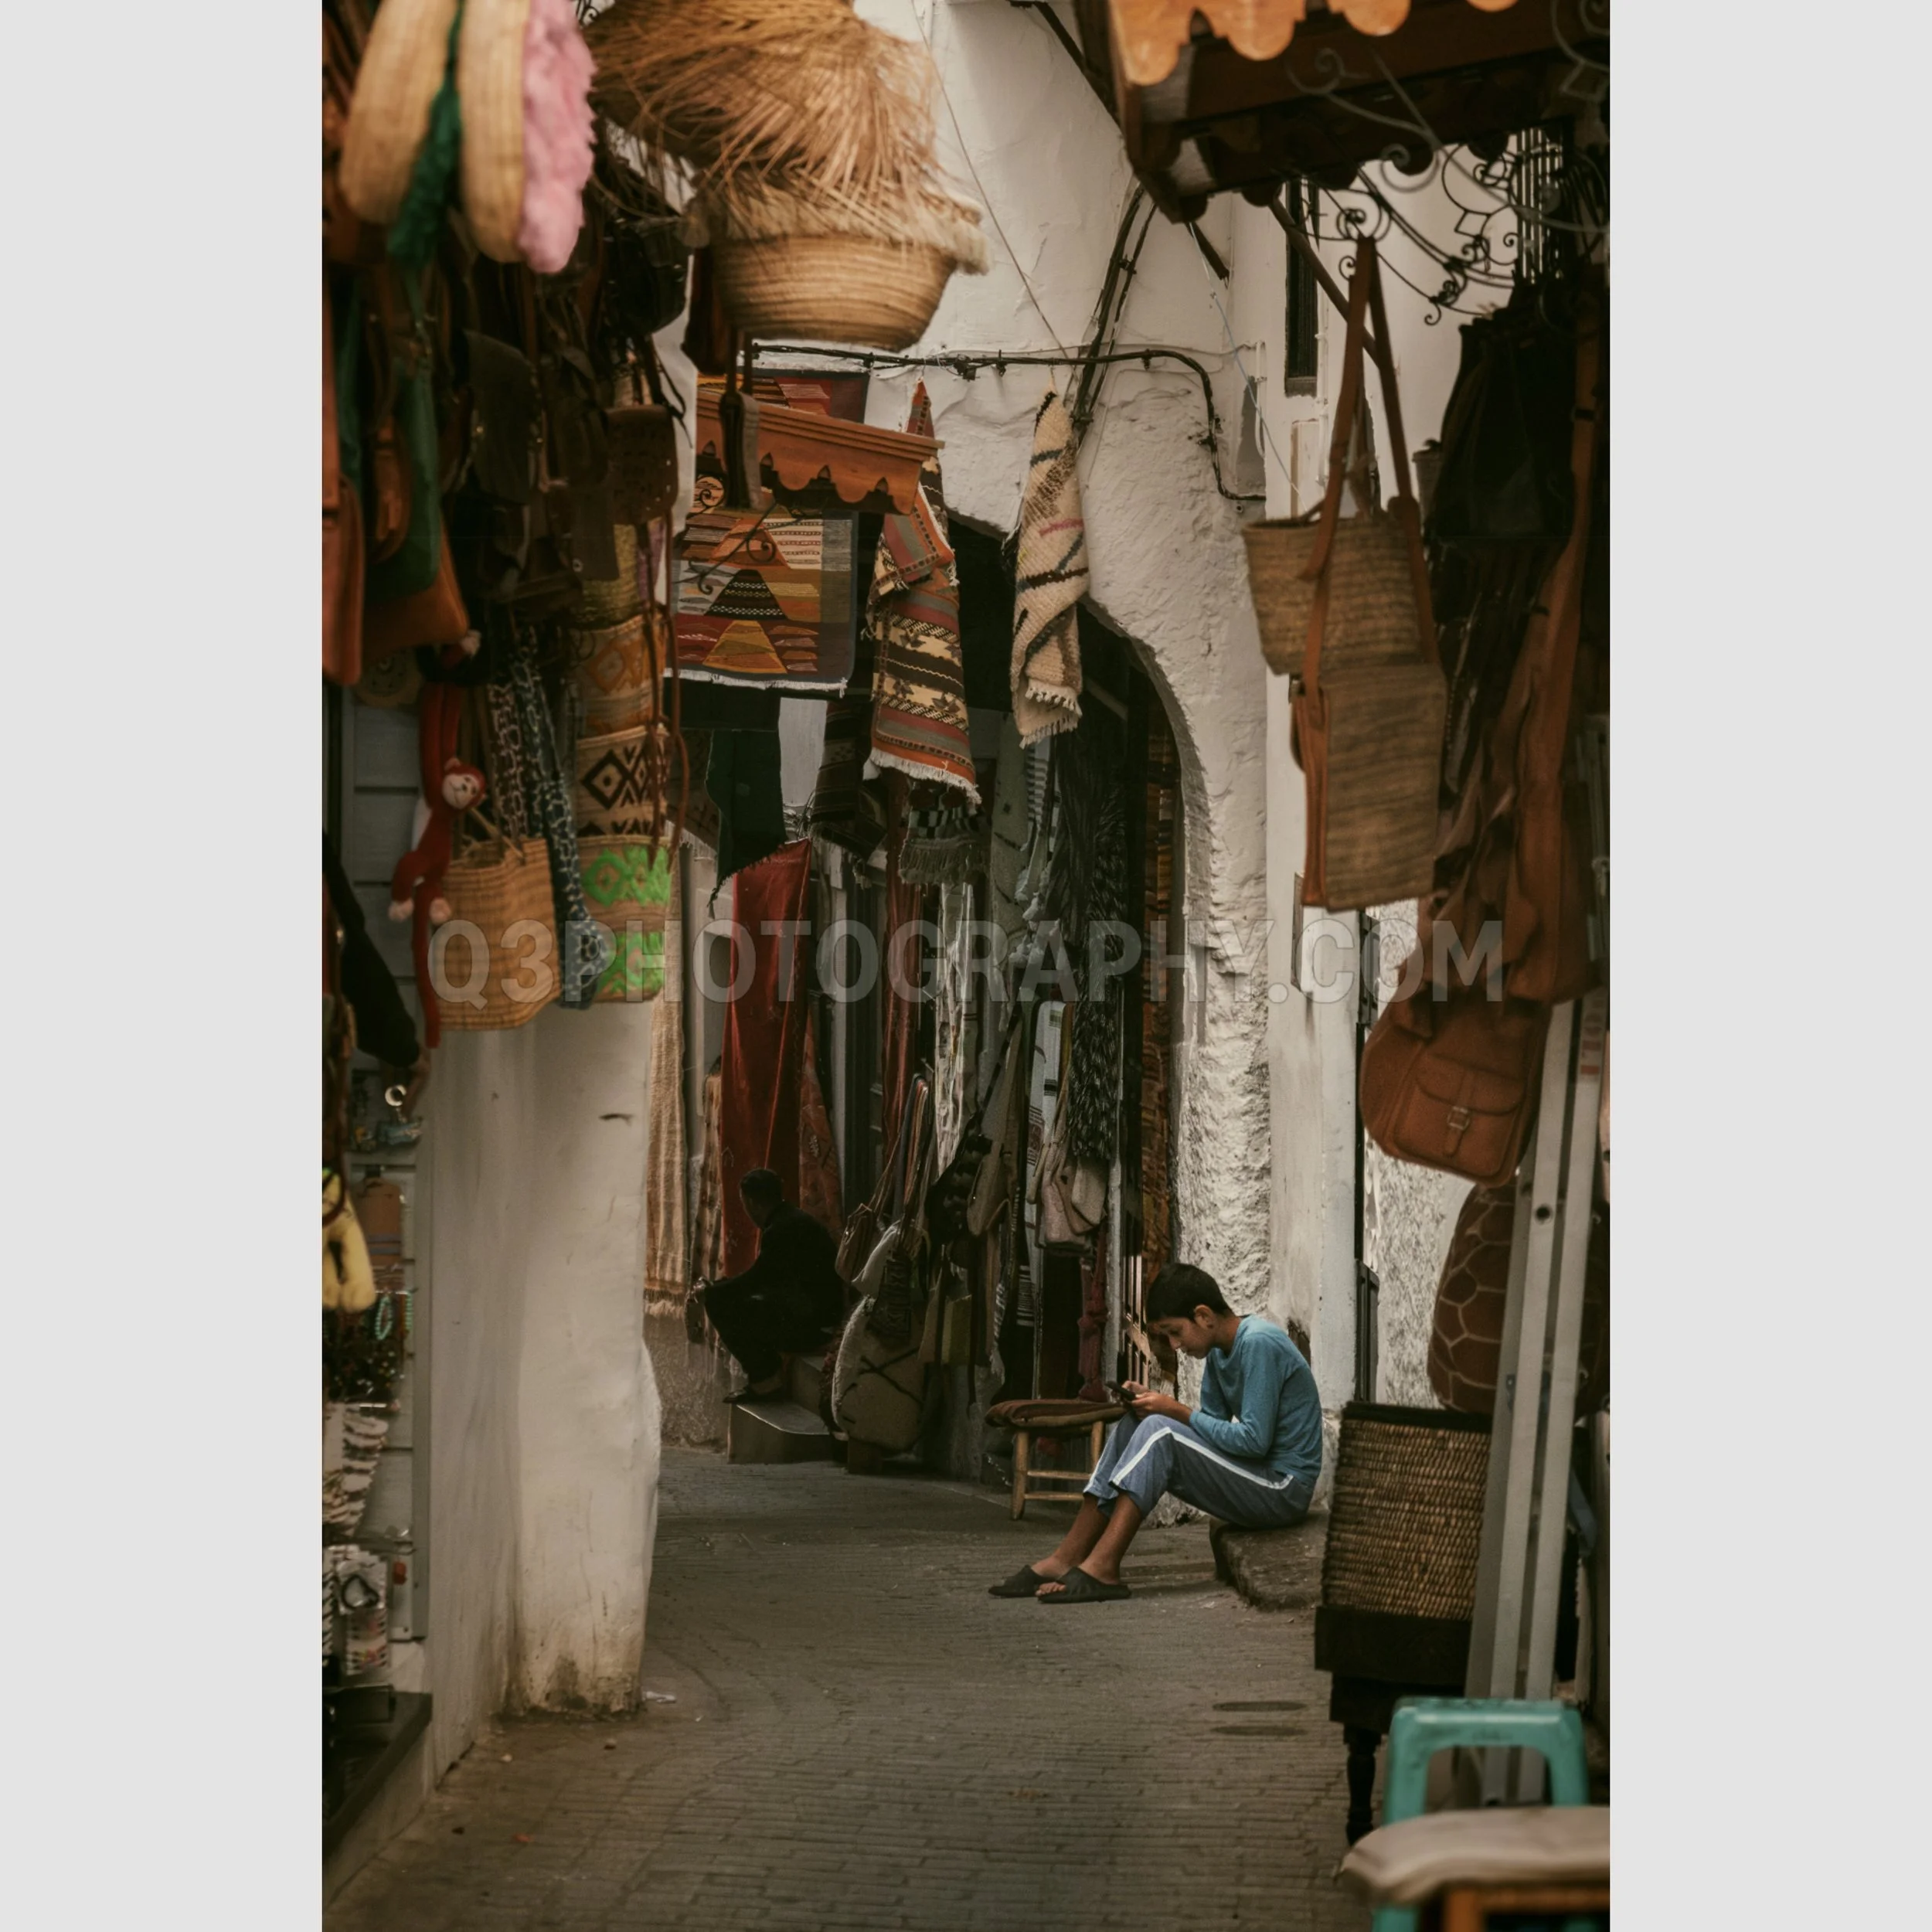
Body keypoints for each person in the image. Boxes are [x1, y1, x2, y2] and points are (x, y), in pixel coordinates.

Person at [989, 1261, 1323, 1604]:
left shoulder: (1258, 1343)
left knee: (1161, 1430)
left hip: (1283, 1490)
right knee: (1139, 1420)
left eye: (1175, 1332)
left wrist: (1174, 1410)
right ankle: (1067, 1557)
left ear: (1204, 1316)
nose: (1175, 1345)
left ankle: (1103, 1565)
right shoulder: (1219, 1353)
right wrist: (1152, 1403)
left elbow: (1253, 1442)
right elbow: (1208, 1428)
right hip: (1255, 1477)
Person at [696, 1169, 847, 1402]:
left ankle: (765, 1381)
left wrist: (712, 1291)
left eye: (744, 1203)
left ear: (753, 1203)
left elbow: (758, 1280)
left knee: (718, 1301)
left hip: (818, 1328)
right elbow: (769, 1280)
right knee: (728, 1294)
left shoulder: (780, 1230)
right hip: (820, 1317)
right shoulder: (790, 1219)